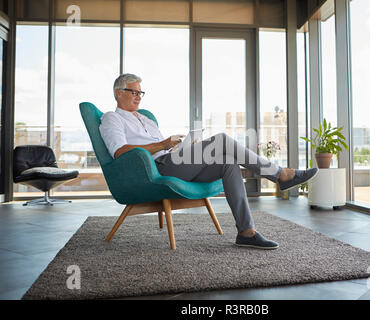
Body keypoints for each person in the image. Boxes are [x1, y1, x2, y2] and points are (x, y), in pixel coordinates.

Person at [99, 74, 319, 250]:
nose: (138, 97)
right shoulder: (112, 118)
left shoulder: (145, 118)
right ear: (119, 93)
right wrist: (164, 144)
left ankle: (246, 232)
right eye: (133, 92)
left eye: (140, 93)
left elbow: (162, 146)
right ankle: (280, 174)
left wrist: (182, 145)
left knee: (228, 164)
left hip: (173, 160)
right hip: (157, 170)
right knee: (221, 140)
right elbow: (121, 152)